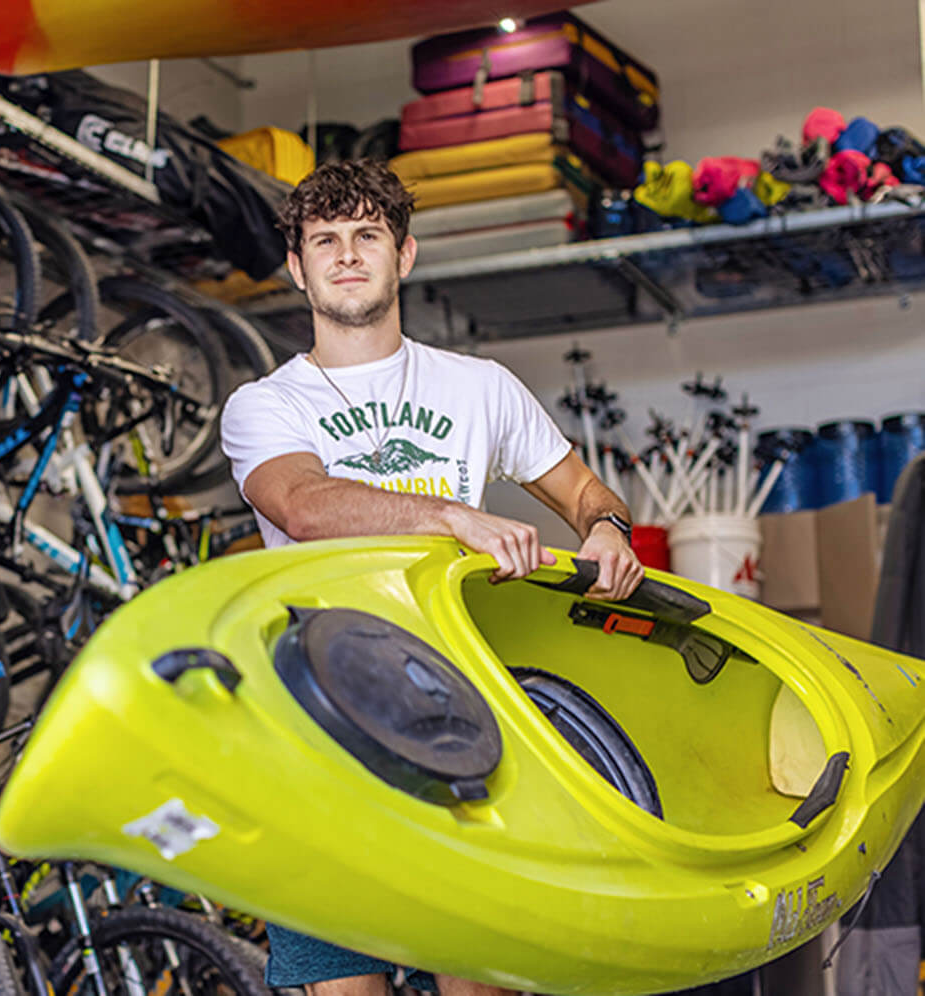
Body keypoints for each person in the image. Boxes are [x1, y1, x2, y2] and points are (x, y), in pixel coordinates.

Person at [219, 159, 645, 996]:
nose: (347, 256)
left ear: (404, 255)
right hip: (320, 728)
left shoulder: (479, 387)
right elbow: (303, 505)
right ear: (298, 269)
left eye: (367, 236)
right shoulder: (266, 403)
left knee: (481, 980)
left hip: (466, 722)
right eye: (326, 241)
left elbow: (585, 489)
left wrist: (607, 527)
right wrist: (452, 517)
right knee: (344, 986)